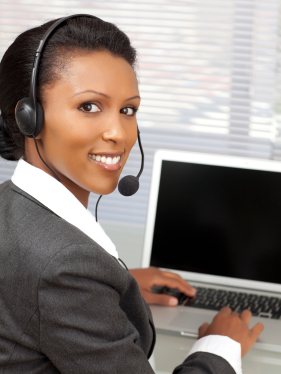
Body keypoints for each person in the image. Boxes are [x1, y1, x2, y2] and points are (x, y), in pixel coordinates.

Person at [0, 14, 263, 373]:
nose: (119, 134)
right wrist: (220, 345)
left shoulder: (10, 206)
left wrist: (116, 285)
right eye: (89, 106)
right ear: (29, 117)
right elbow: (52, 274)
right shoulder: (64, 267)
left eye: (128, 109)